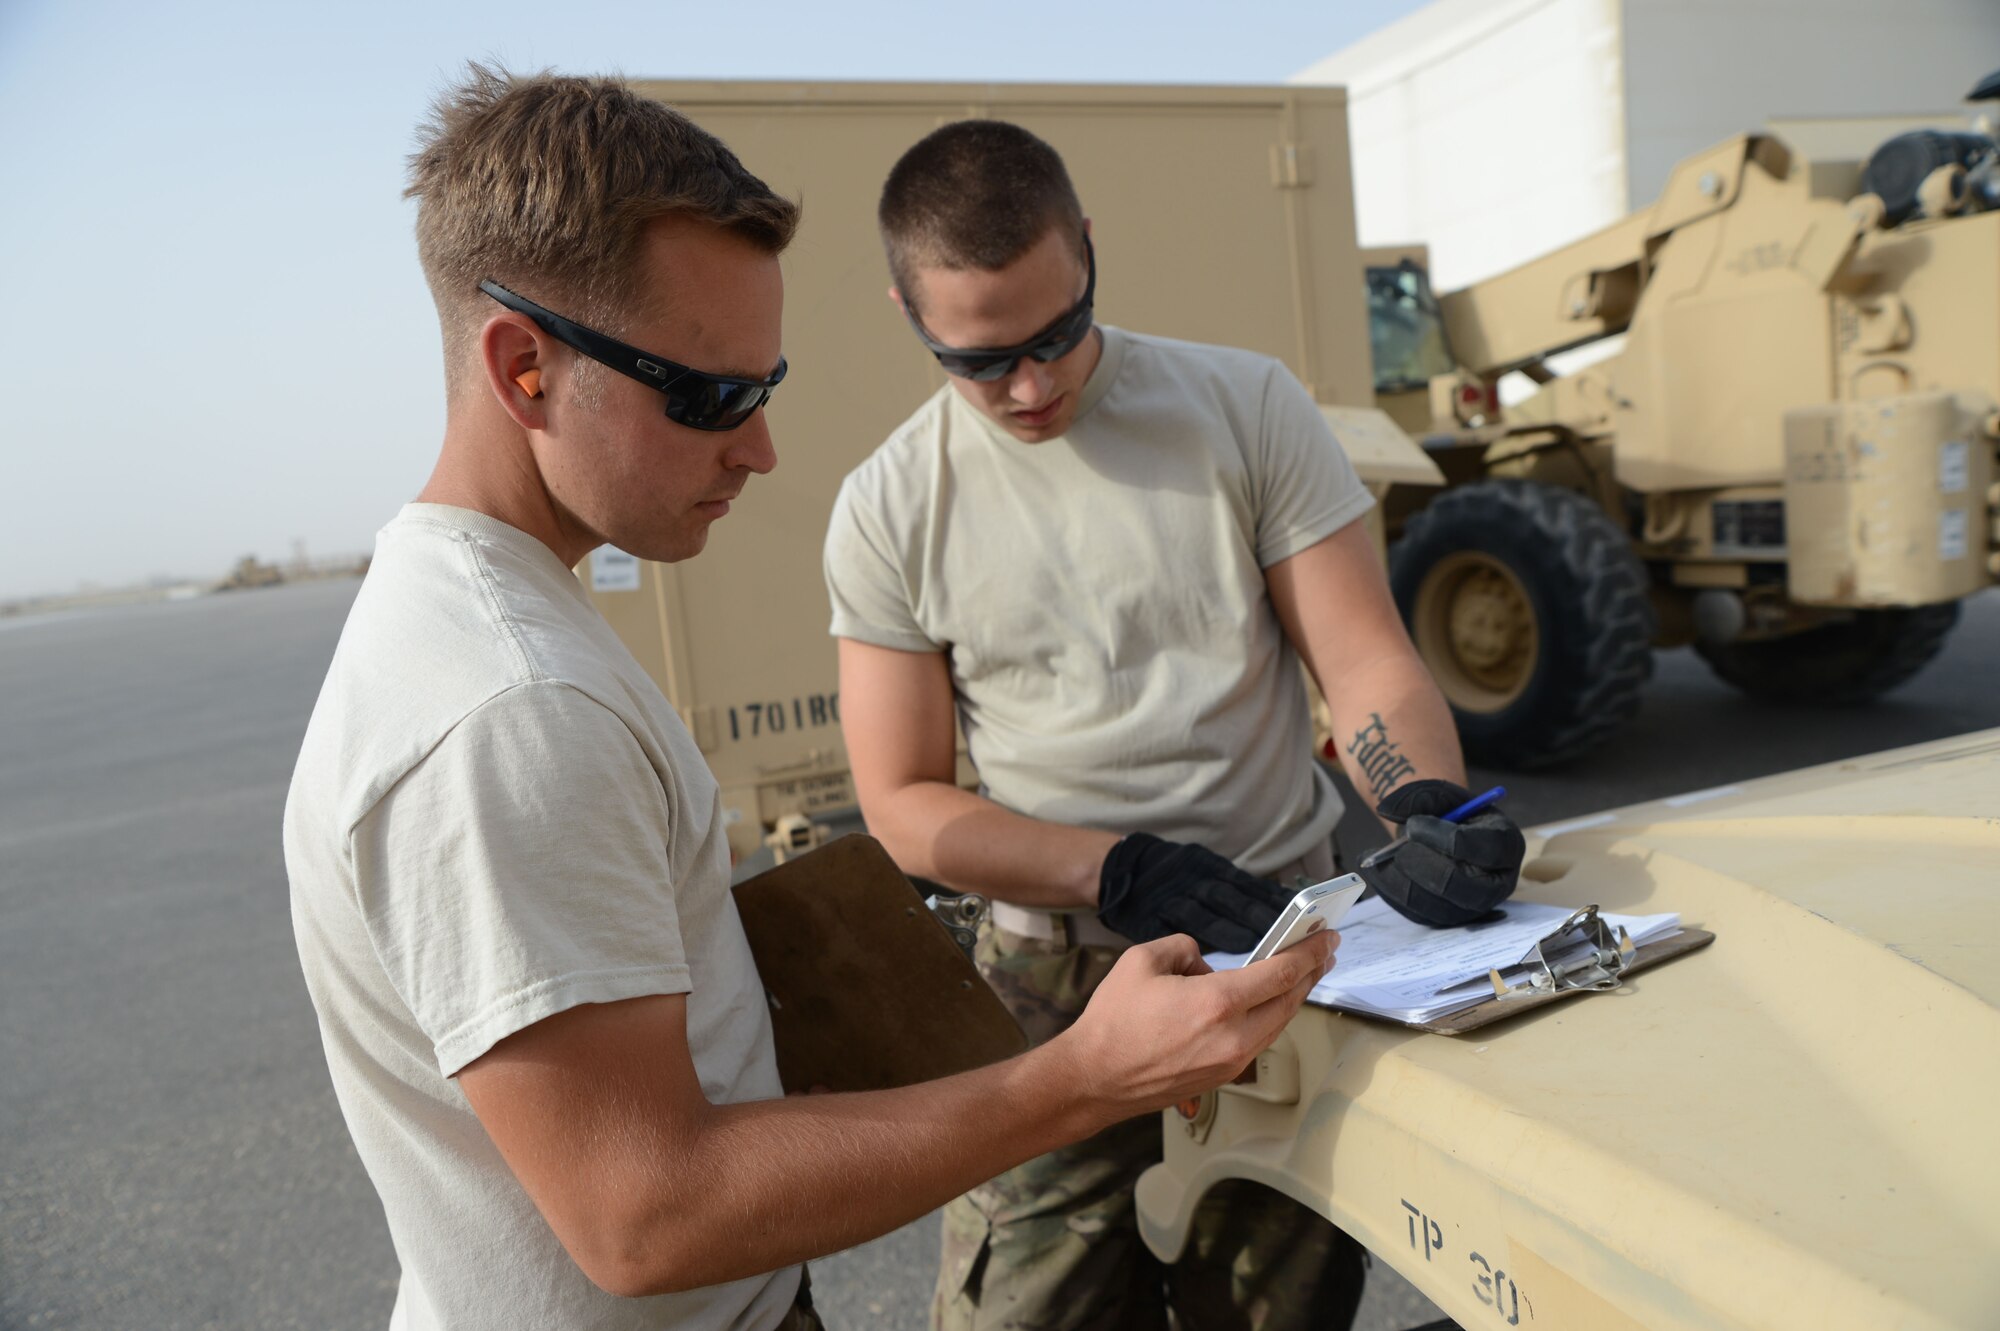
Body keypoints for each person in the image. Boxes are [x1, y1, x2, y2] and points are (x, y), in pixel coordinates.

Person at [283, 68, 1340, 1331]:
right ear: (523, 369)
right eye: (711, 396)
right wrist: (1077, 1077)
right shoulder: (509, 710)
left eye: (763, 387)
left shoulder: (501, 619)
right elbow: (647, 1213)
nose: (759, 447)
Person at [823, 120, 1527, 1330]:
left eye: (1055, 335)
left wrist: (1419, 798)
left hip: (1274, 937)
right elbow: (900, 802)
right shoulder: (888, 507)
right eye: (982, 362)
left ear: (1087, 250)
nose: (1033, 387)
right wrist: (1119, 866)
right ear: (908, 313)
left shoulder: (1241, 406)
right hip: (1051, 978)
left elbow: (1359, 655)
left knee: (1271, 1304)